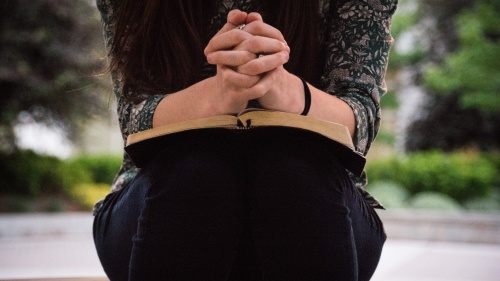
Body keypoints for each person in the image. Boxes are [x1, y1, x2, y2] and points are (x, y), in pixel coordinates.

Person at [93, 0, 397, 280]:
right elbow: (132, 120)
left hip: (317, 203)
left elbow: (361, 121)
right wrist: (219, 93)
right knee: (197, 173)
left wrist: (282, 87)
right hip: (164, 201)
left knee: (293, 173)